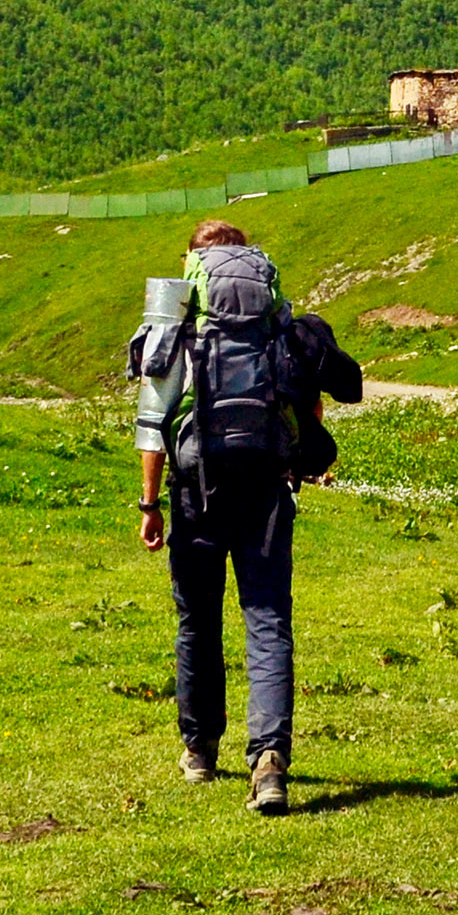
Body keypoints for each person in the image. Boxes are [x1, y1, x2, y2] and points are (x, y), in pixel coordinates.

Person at [136, 219, 359, 817]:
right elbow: (304, 393)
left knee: (198, 621)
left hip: (196, 485)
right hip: (265, 484)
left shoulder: (179, 312)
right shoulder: (274, 314)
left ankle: (201, 748)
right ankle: (269, 762)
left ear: (195, 261)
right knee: (266, 619)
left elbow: (152, 419)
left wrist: (149, 503)